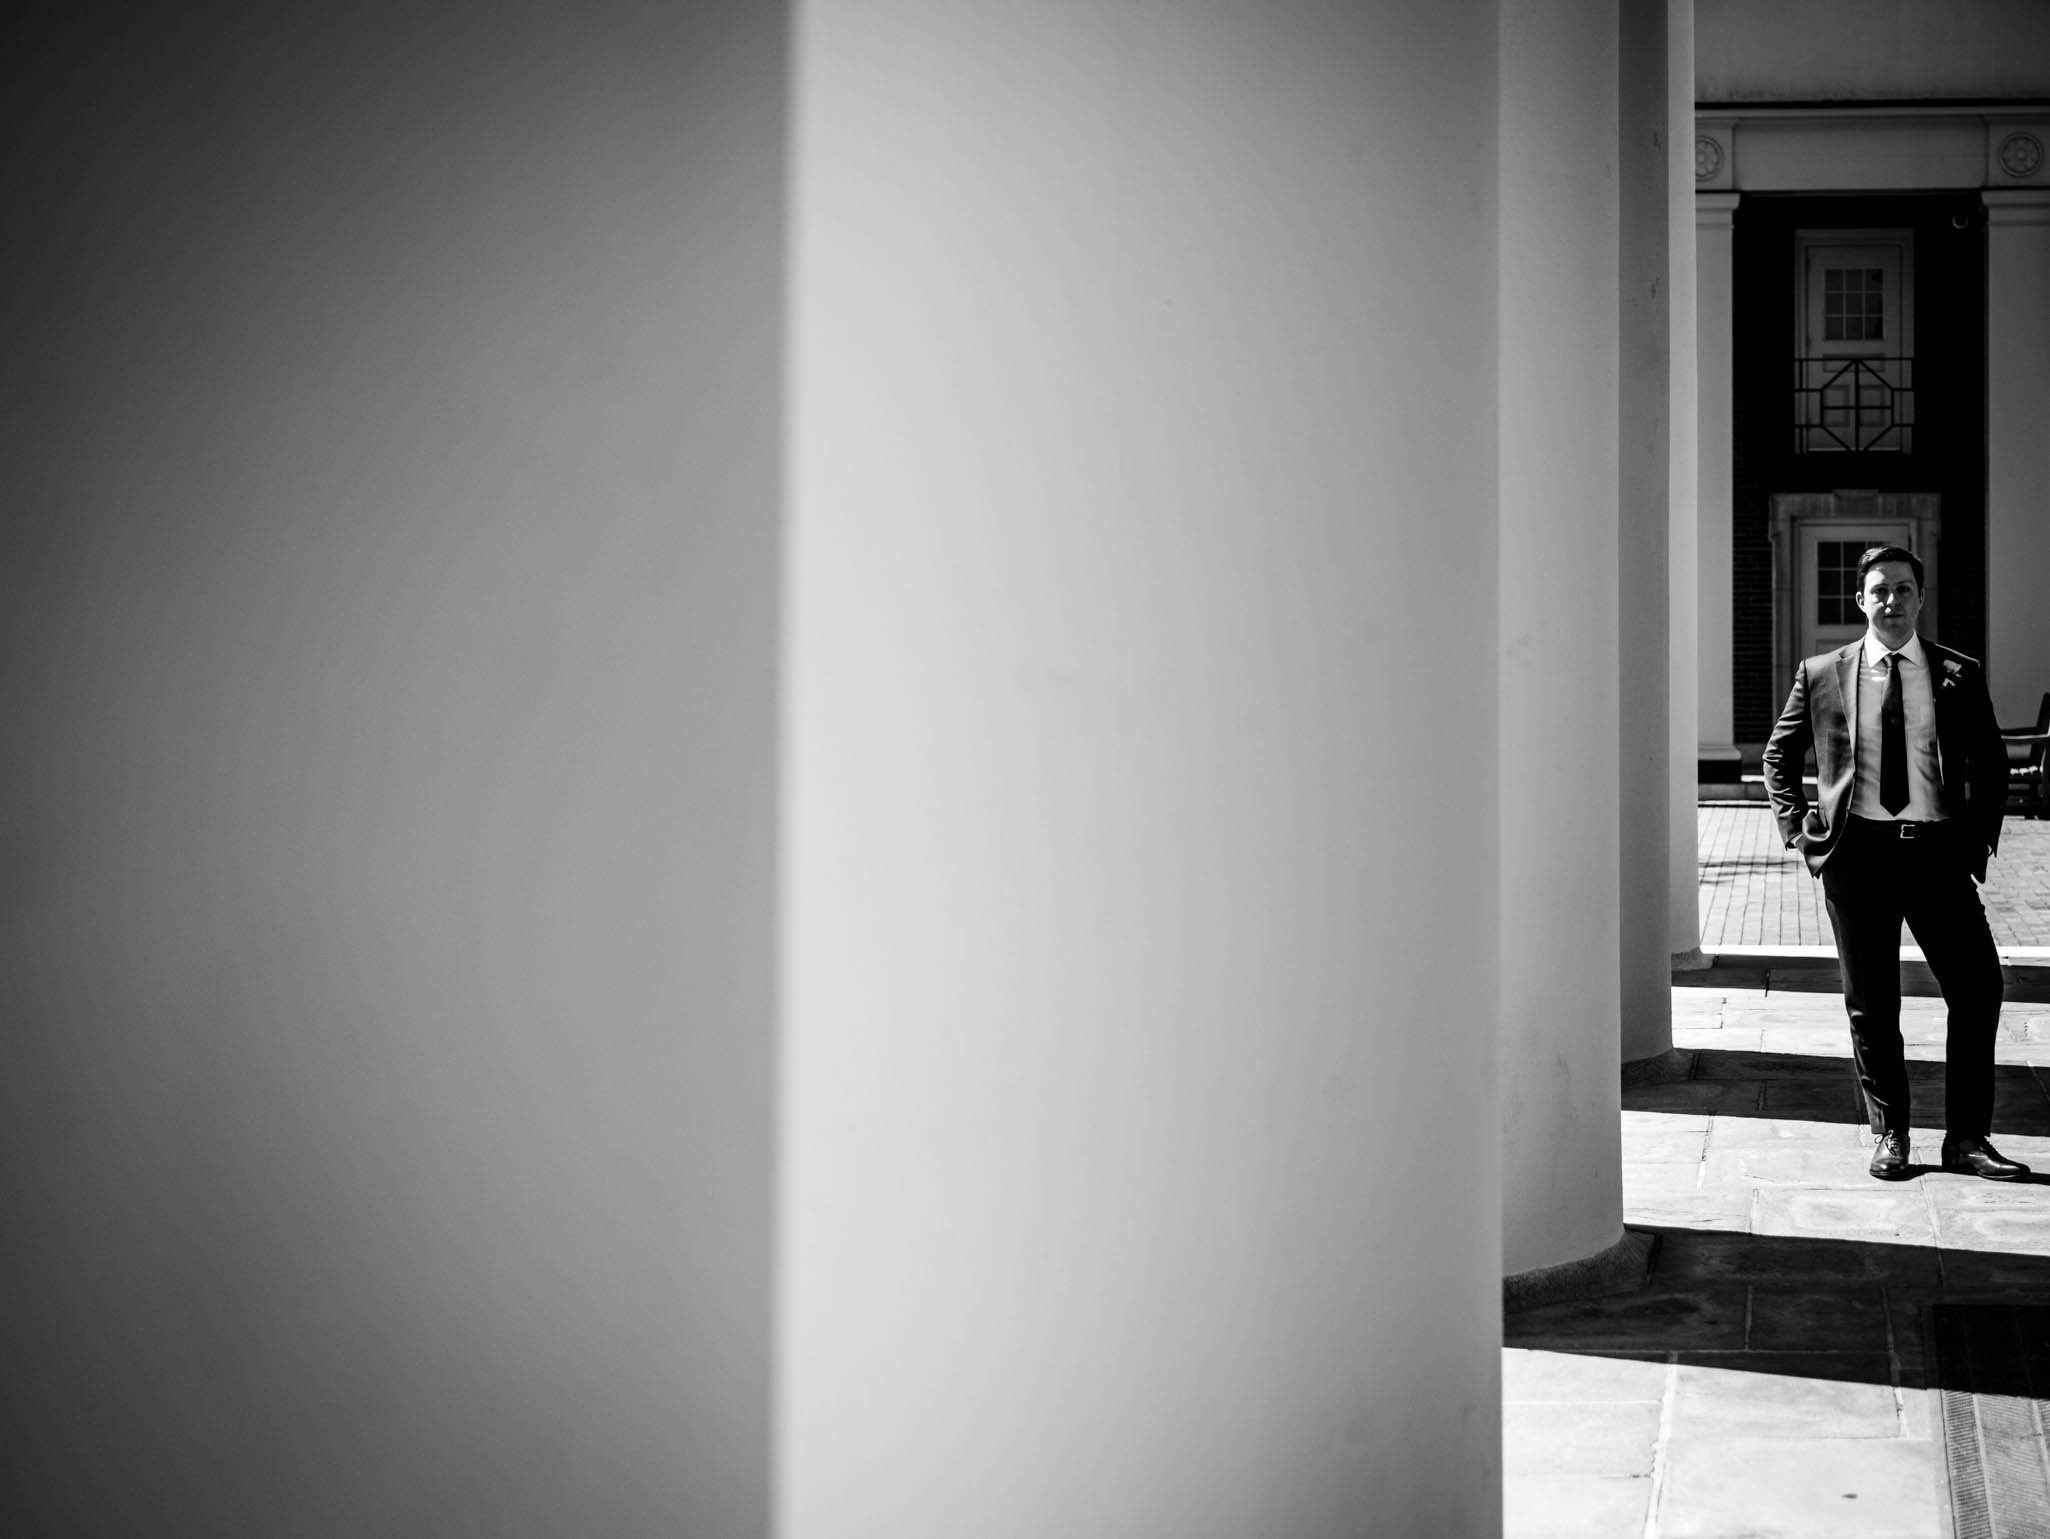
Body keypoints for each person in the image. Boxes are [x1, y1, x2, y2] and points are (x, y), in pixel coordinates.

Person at [1761, 545, 2026, 1182]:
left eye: (1904, 590)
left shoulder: (1958, 672)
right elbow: (1779, 754)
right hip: (1859, 858)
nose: (1892, 602)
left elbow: (1989, 764)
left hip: (1936, 855)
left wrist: (1976, 842)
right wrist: (1801, 831)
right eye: (1880, 591)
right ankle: (1892, 1134)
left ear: (1921, 597)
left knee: (1978, 987)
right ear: (1861, 600)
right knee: (1873, 1002)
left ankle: (1967, 1138)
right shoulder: (1822, 671)